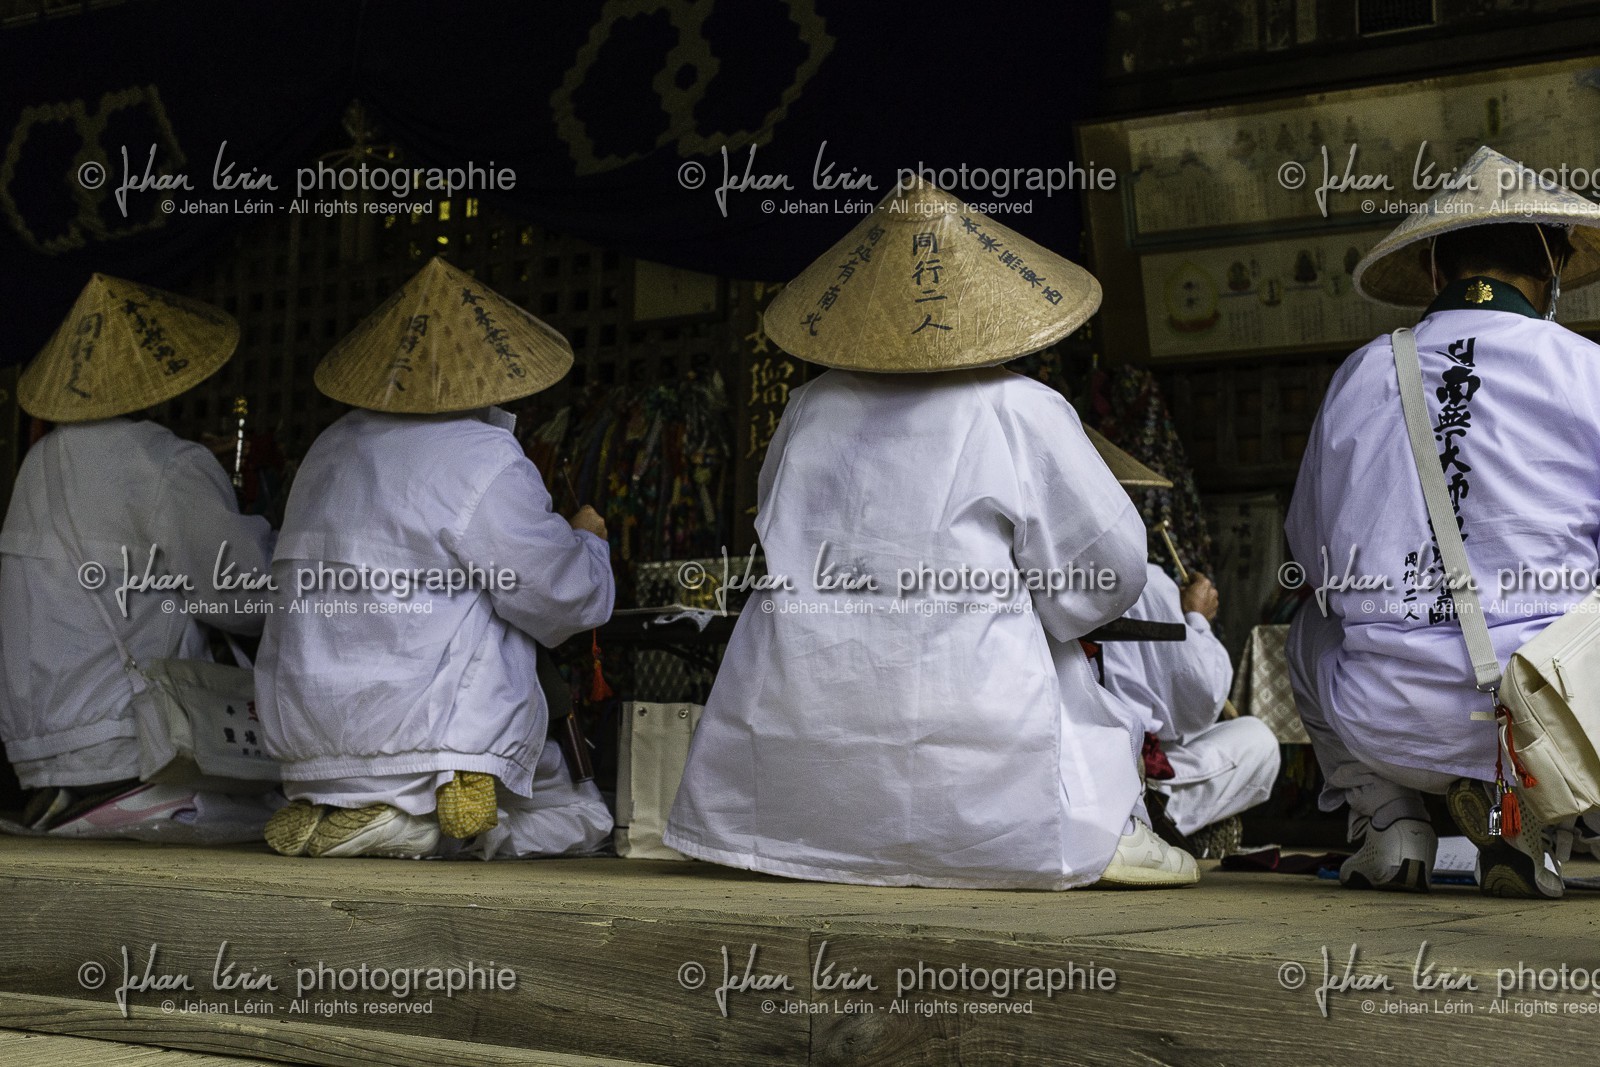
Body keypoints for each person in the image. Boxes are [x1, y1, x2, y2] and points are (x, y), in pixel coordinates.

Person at [664, 180, 1198, 890]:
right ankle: (1096, 826)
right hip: (976, 747)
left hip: (803, 739)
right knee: (1059, 664)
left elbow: (776, 527)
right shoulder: (1022, 408)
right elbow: (1107, 564)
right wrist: (1045, 608)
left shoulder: (808, 409)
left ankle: (797, 834)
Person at [1286, 145, 1600, 898]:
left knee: (1308, 632)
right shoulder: (1584, 368)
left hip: (1384, 718)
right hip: (1549, 717)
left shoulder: (1359, 374)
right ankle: (1535, 818)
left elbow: (1309, 555)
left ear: (1434, 271)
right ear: (1553, 268)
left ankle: (1389, 824)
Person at [256, 257, 614, 859]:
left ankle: (341, 809)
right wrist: (588, 541)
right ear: (493, 371)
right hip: (429, 741)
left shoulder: (328, 448)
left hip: (308, 742)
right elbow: (561, 596)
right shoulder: (482, 452)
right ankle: (424, 825)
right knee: (584, 815)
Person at [0, 274, 274, 830]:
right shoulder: (167, 464)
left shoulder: (38, 465)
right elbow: (244, 600)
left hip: (40, 753)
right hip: (134, 743)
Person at [1102, 561, 1280, 846]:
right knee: (1259, 740)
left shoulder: (1045, 581)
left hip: (1077, 752)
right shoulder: (1145, 582)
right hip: (1120, 773)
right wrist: (1198, 618)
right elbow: (1202, 700)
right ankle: (1153, 820)